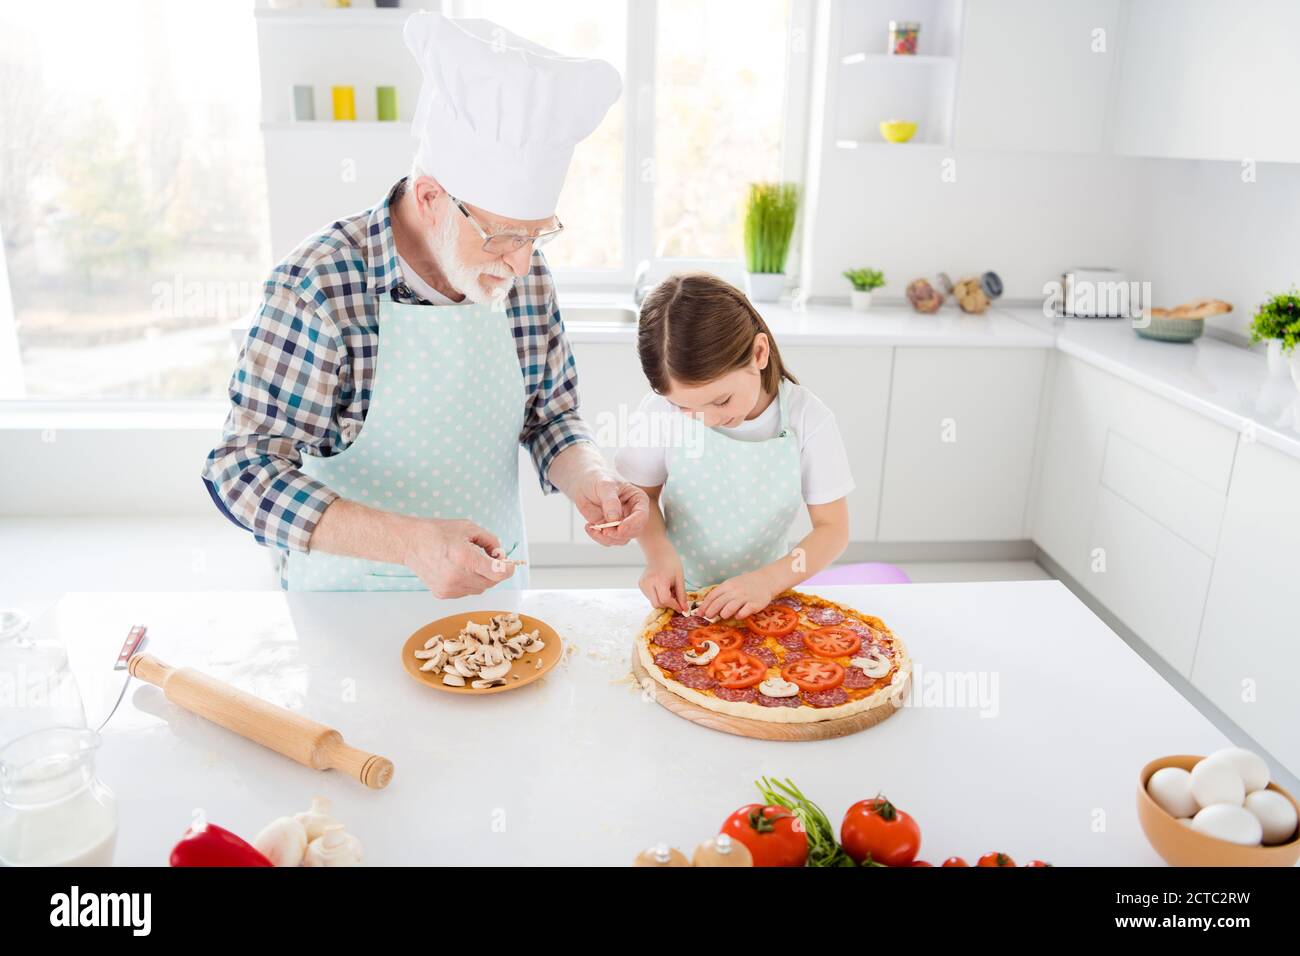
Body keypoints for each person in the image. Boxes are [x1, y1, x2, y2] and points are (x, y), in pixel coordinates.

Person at [202, 12, 647, 594]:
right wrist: (409, 543)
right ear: (432, 197)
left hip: (493, 599)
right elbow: (243, 472)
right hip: (350, 601)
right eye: (503, 235)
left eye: (536, 235)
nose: (520, 261)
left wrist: (591, 477)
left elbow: (551, 417)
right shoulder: (319, 286)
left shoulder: (524, 273)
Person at [615, 273, 854, 620]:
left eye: (722, 400)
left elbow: (833, 530)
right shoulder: (660, 414)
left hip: (766, 600)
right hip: (684, 598)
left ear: (758, 353)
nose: (708, 420)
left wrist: (768, 581)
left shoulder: (808, 419)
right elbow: (642, 495)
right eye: (687, 408)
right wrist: (658, 555)